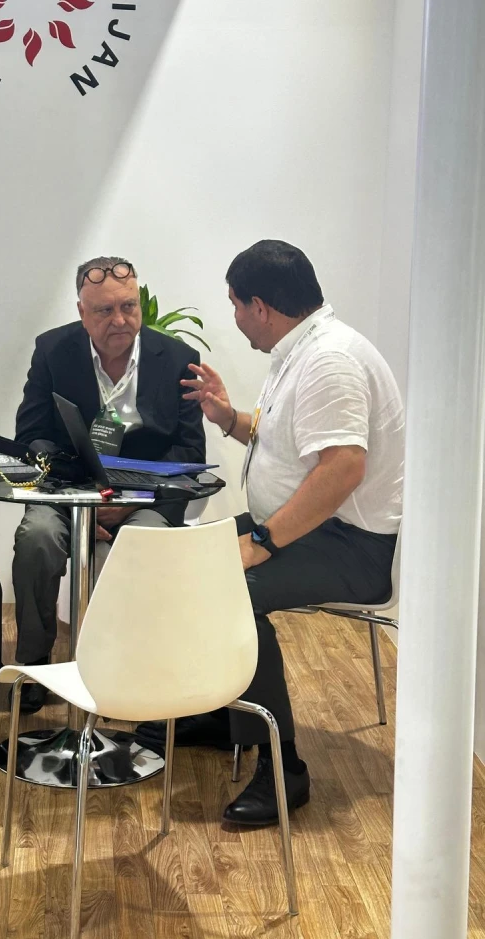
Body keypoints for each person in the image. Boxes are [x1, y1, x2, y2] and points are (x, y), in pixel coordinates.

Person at [138, 240, 404, 826]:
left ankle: (283, 767)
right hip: (313, 530)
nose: (234, 317)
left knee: (232, 591)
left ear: (259, 306)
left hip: (352, 546)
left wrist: (260, 544)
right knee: (186, 557)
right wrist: (227, 417)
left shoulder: (330, 361)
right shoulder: (302, 350)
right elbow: (289, 444)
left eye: (235, 305)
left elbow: (343, 467)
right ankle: (222, 713)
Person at [11, 256, 207, 712]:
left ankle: (133, 670)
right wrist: (82, 499)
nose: (120, 320)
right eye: (104, 310)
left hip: (145, 500)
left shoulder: (177, 359)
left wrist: (131, 498)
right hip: (68, 493)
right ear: (82, 312)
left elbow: (189, 451)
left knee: (149, 547)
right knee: (36, 538)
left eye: (128, 306)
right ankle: (34, 664)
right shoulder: (52, 351)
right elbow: (31, 437)